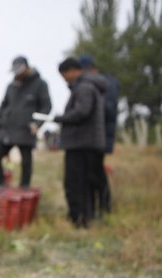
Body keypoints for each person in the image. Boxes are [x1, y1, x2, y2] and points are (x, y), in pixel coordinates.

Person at [54, 56, 107, 229]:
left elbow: (82, 112)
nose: (64, 80)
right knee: (86, 183)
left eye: (64, 76)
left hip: (81, 144)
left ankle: (79, 218)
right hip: (87, 143)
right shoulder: (88, 86)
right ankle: (85, 218)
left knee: (75, 184)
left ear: (72, 71)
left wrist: (59, 118)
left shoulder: (84, 87)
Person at [0, 56, 52, 188]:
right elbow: (4, 104)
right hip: (7, 128)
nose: (17, 75)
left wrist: (37, 124)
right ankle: (1, 185)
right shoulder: (11, 86)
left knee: (26, 161)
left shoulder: (40, 84)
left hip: (26, 129)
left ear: (27, 68)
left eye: (20, 72)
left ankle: (24, 188)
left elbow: (46, 107)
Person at [80, 54, 118, 214]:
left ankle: (104, 206)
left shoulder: (104, 84)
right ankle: (94, 207)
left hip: (99, 136)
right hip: (93, 136)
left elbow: (107, 110)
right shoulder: (96, 84)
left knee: (96, 173)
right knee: (91, 173)